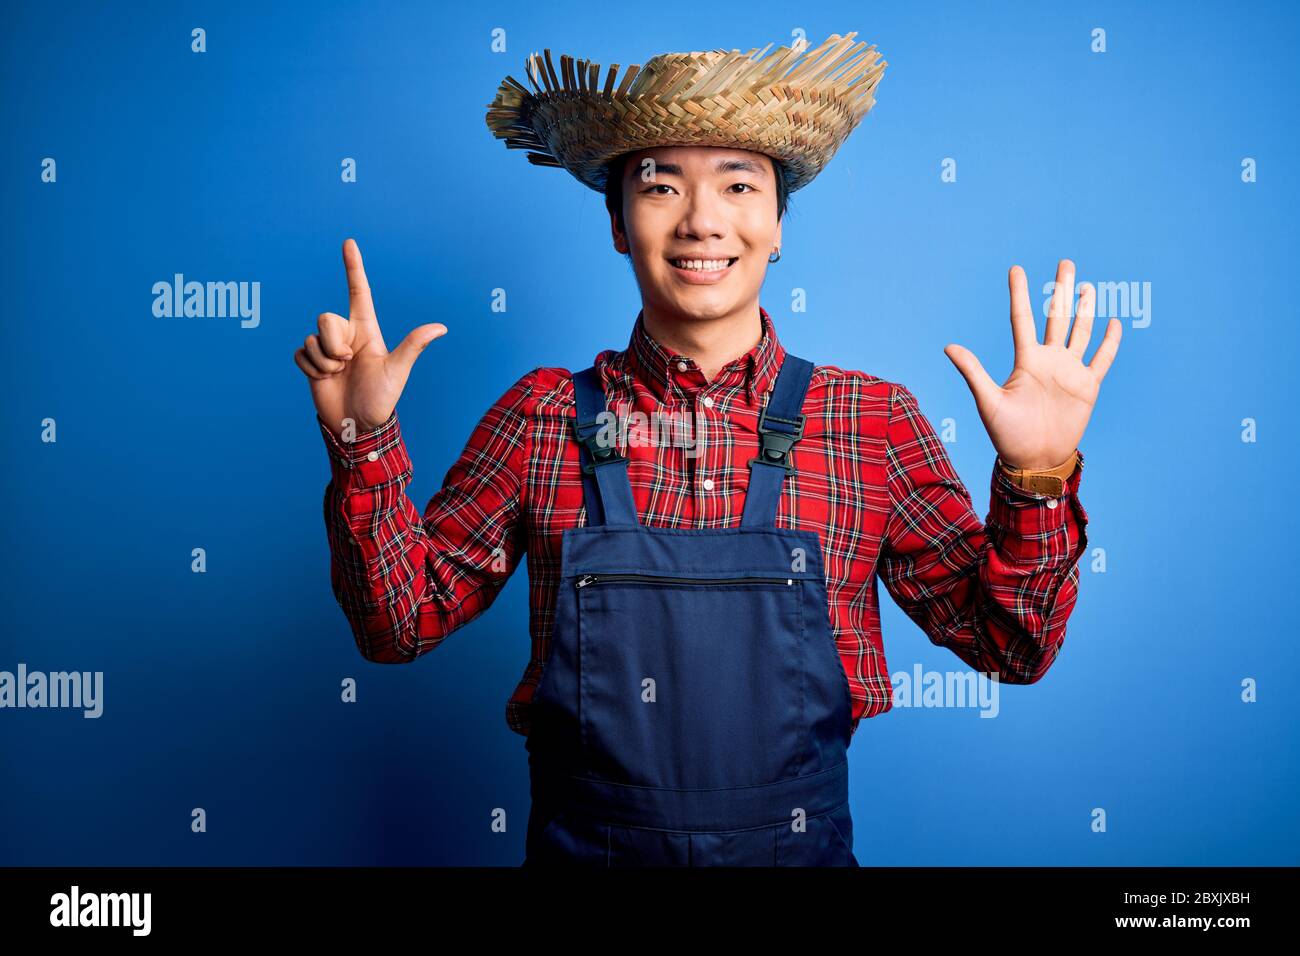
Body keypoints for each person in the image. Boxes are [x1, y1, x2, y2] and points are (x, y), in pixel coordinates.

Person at [293, 32, 1121, 866]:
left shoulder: (871, 421)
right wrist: (362, 440)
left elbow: (1010, 648)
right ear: (618, 224)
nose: (701, 220)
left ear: (776, 228)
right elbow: (397, 626)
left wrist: (1036, 481)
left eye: (737, 184)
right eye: (660, 186)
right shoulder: (540, 416)